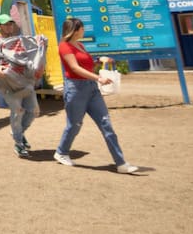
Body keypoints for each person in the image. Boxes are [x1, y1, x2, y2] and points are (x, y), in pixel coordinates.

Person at [53, 17, 139, 173]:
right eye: (82, 28)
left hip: (91, 89)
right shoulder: (64, 47)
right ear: (75, 30)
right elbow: (75, 68)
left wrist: (99, 60)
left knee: (106, 124)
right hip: (76, 89)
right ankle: (61, 152)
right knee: (74, 125)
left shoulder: (80, 45)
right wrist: (98, 78)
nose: (84, 30)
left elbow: (87, 63)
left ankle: (121, 163)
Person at [0, 13, 48, 158]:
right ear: (0, 26)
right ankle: (19, 144)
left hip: (25, 81)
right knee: (18, 111)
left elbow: (32, 53)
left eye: (11, 23)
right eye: (6, 24)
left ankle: (17, 133)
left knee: (33, 111)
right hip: (8, 83)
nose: (9, 26)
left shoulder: (20, 40)